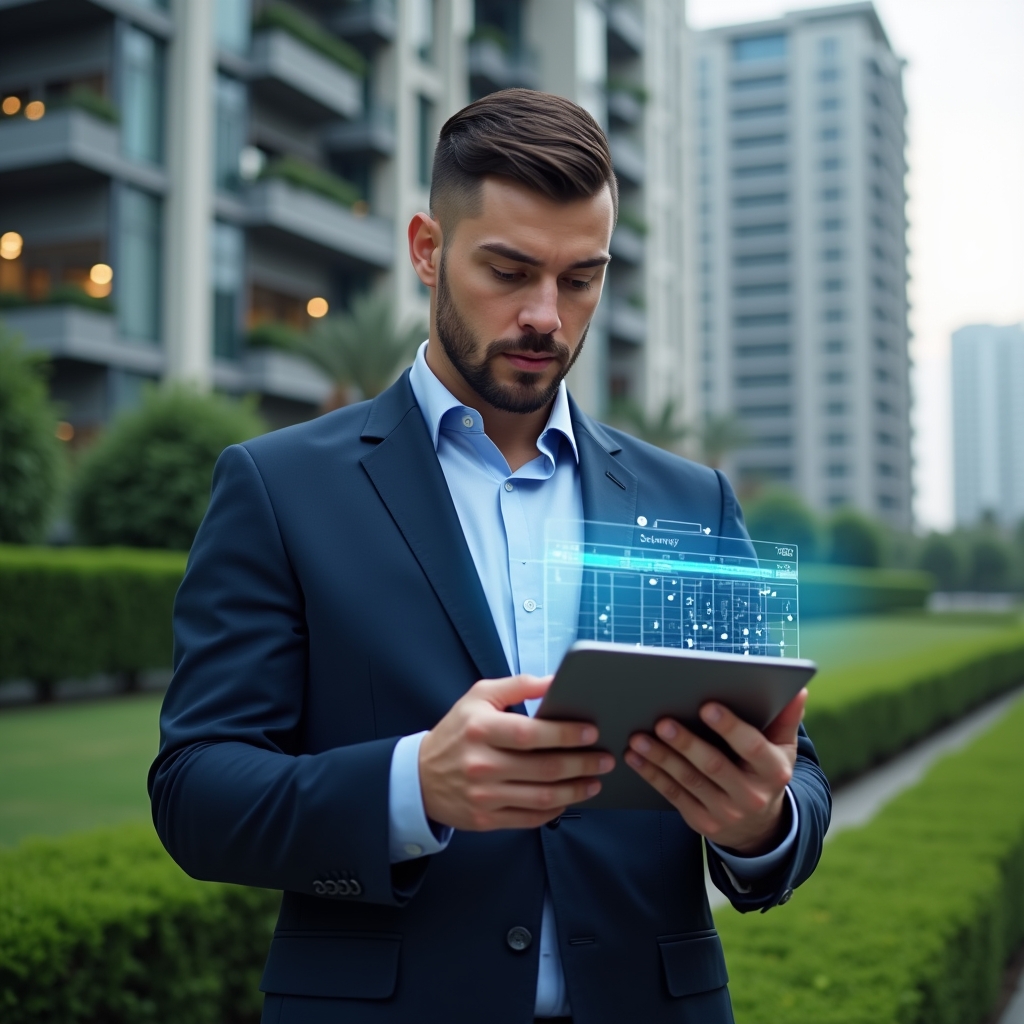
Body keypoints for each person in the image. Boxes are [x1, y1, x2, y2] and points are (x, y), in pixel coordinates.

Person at [150, 89, 830, 1024]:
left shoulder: (692, 500)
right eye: (508, 271)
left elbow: (795, 774)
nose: (546, 315)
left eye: (580, 278)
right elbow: (195, 792)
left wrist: (760, 822)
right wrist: (412, 785)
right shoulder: (278, 488)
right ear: (427, 249)